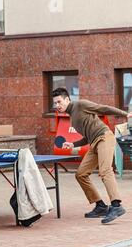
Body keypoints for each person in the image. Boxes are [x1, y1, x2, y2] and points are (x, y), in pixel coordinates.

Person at [52, 88, 132, 224]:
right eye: (55, 103)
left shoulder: (80, 105)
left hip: (104, 137)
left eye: (59, 101)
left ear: (67, 99)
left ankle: (116, 206)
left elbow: (103, 108)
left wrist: (126, 114)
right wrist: (73, 144)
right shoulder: (72, 119)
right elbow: (87, 137)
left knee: (105, 170)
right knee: (81, 174)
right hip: (94, 142)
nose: (57, 105)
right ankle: (100, 206)